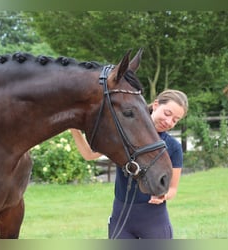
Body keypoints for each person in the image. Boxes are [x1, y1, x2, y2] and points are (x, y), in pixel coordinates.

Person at [70, 89, 188, 239]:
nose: (169, 121)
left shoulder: (173, 146)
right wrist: (73, 127)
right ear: (156, 105)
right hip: (120, 218)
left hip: (153, 219)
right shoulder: (125, 135)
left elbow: (172, 189)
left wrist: (163, 196)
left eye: (175, 120)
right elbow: (89, 154)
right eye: (167, 113)